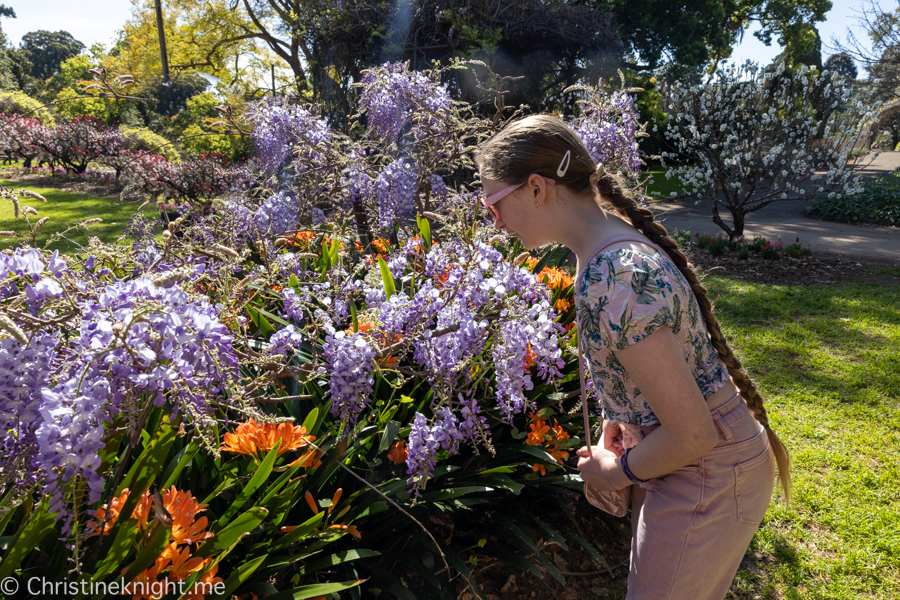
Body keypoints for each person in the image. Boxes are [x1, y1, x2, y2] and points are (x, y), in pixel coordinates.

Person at [475, 115, 789, 600]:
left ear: (537, 188)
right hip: (698, 464)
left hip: (703, 471)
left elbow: (692, 432)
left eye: (493, 204)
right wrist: (622, 417)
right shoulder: (605, 245)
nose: (493, 220)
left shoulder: (614, 275)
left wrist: (613, 472)